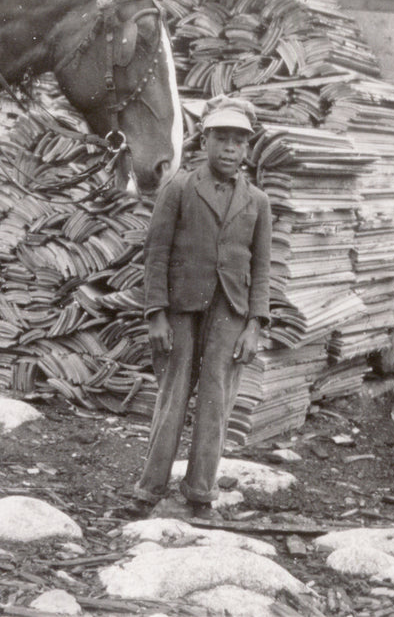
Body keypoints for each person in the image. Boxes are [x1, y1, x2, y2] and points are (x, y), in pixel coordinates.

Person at [131, 95, 273, 519]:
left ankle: (200, 494)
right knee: (173, 397)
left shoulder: (258, 202)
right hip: (182, 307)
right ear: (205, 141)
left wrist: (255, 325)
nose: (230, 149)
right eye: (222, 139)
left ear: (248, 149)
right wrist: (155, 313)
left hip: (230, 309)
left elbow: (262, 268)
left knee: (216, 403)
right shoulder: (178, 187)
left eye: (239, 141)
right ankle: (149, 488)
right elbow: (155, 254)